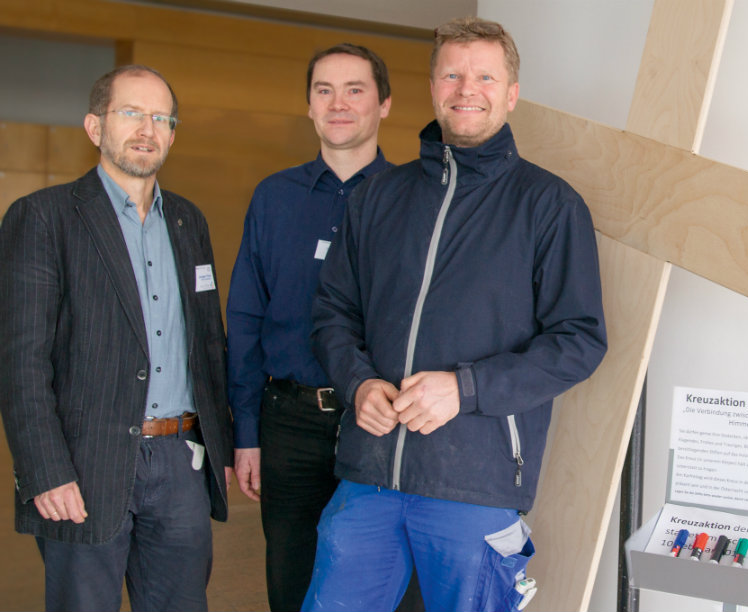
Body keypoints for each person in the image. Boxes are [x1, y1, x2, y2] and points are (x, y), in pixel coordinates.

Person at [305, 16, 608, 612]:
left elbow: (579, 341)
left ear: (512, 94)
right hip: (368, 477)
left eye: (485, 76)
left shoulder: (549, 205)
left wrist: (464, 389)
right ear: (433, 87)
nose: (467, 88)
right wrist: (358, 381)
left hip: (476, 485)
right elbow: (333, 312)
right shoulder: (377, 197)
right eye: (452, 74)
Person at [0, 65, 232, 612]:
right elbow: (20, 362)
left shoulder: (188, 221)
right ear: (94, 126)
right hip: (85, 464)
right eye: (130, 113)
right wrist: (45, 471)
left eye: (161, 117)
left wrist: (219, 443)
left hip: (181, 462)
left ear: (173, 134)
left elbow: (207, 347)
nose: (146, 128)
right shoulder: (42, 218)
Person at [225, 43, 393, 612]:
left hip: (382, 426)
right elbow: (245, 319)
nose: (339, 103)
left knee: (381, 586)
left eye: (355, 90)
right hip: (289, 425)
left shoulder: (414, 197)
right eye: (324, 90)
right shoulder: (274, 198)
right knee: (292, 584)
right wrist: (245, 432)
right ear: (309, 107)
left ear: (384, 104)